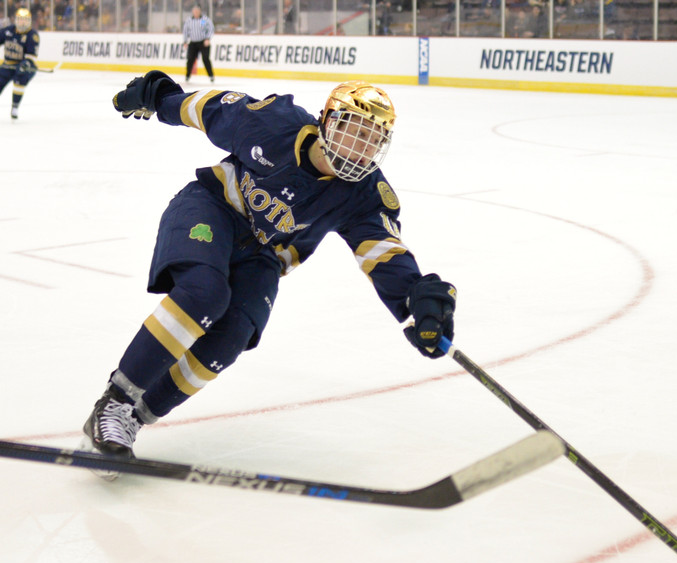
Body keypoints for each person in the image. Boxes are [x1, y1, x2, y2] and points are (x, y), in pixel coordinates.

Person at [81, 73, 457, 477]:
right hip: (212, 209)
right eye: (356, 132)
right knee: (205, 293)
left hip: (263, 254)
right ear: (330, 122)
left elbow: (383, 253)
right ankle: (115, 403)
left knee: (231, 336)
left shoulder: (365, 194)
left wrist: (415, 300)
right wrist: (161, 100)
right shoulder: (273, 124)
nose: (362, 150)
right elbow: (209, 110)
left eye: (373, 141)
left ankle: (133, 419)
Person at [0, 8, 39, 119]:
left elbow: (31, 56)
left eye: (25, 20)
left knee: (20, 79)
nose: (23, 22)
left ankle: (15, 107)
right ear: (16, 20)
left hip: (24, 66)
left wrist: (25, 64)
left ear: (30, 21)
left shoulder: (32, 35)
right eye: (21, 19)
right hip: (8, 65)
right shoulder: (9, 30)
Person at [183, 5, 214, 83]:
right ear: (192, 12)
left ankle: (211, 75)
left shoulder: (205, 19)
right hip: (193, 42)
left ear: (200, 11)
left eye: (197, 11)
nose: (196, 12)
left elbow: (211, 29)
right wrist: (185, 41)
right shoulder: (189, 20)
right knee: (190, 59)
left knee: (205, 58)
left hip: (203, 42)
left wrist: (208, 38)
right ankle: (187, 75)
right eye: (194, 11)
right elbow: (185, 31)